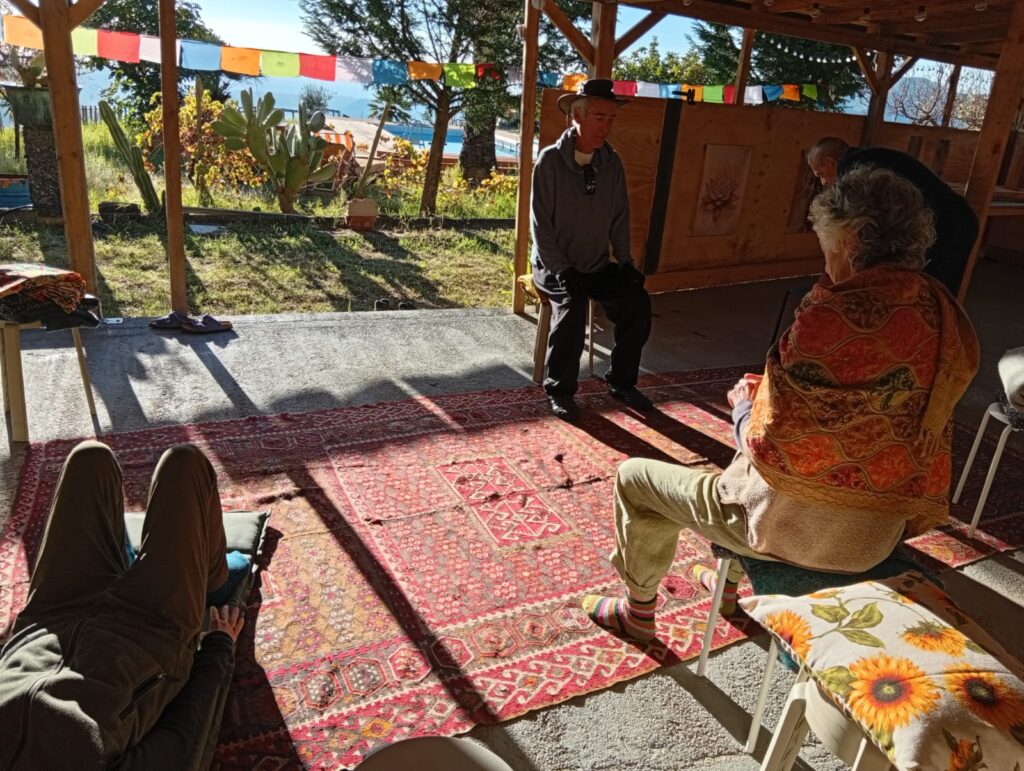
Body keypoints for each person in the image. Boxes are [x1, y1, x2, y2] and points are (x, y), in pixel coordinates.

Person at [582, 166, 980, 641]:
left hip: (796, 537)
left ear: (851, 240)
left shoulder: (831, 315)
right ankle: (728, 590)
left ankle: (638, 613)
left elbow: (769, 450)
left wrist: (744, 410)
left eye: (826, 245)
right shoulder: (940, 310)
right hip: (876, 537)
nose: (825, 261)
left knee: (636, 480)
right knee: (748, 466)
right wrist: (771, 400)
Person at [0, 441, 246, 769]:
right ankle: (213, 582)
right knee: (185, 464)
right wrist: (219, 646)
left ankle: (129, 562)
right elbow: (186, 741)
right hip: (148, 631)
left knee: (89, 459)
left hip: (49, 618)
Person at [530, 78, 653, 422]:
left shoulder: (612, 163)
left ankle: (621, 381)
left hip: (595, 264)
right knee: (573, 306)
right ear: (577, 116)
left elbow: (619, 219)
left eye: (611, 118)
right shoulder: (550, 161)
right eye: (600, 117)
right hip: (554, 265)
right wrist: (561, 268)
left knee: (637, 302)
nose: (607, 126)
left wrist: (626, 263)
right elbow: (540, 226)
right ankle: (560, 390)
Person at [807, 136, 979, 296]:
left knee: (931, 289)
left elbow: (854, 228)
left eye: (820, 174)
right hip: (959, 218)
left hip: (947, 225)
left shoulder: (853, 170)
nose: (823, 182)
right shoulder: (872, 157)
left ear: (830, 162)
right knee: (939, 289)